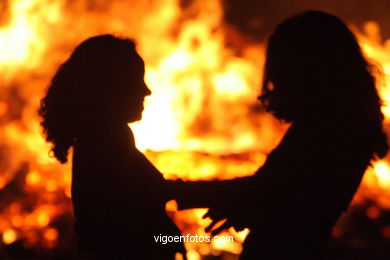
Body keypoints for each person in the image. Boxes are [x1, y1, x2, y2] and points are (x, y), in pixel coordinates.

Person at [176, 10, 388, 259]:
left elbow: (279, 194)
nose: (278, 73)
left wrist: (178, 192)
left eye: (285, 61)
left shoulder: (328, 129)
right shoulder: (345, 121)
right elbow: (274, 191)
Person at [38, 35, 185, 259]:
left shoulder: (105, 138)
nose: (146, 91)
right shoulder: (104, 145)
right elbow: (134, 225)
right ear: (110, 86)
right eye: (136, 80)